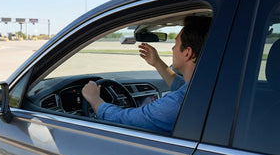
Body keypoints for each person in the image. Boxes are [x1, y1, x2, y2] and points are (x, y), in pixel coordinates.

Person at [81, 16, 212, 133]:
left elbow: (125, 120)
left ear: (188, 53)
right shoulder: (208, 87)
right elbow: (181, 86)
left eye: (176, 44)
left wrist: (95, 99)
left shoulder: (177, 103)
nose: (172, 48)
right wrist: (157, 62)